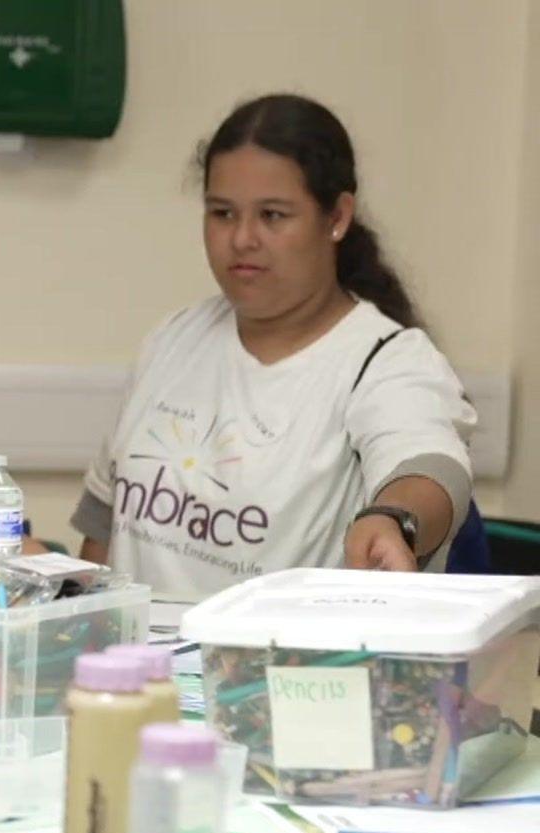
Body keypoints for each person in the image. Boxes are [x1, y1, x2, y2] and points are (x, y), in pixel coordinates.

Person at [74, 93, 476, 596]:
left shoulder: (385, 360)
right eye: (222, 213)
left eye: (272, 215)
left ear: (337, 217)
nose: (242, 238)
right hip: (139, 672)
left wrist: (393, 519)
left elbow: (431, 466)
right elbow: (104, 529)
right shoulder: (173, 339)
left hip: (284, 671)